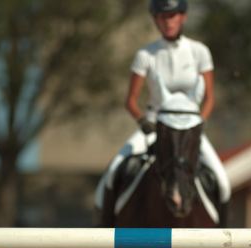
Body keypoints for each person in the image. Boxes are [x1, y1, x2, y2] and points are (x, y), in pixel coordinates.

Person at [95, 0, 230, 223]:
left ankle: (224, 239)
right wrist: (142, 121)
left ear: (183, 17)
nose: (168, 21)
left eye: (173, 15)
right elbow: (130, 100)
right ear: (156, 20)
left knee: (223, 181)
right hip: (155, 125)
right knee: (112, 173)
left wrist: (199, 124)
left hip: (190, 128)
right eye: (162, 17)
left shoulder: (199, 52)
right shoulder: (146, 55)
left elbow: (209, 98)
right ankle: (105, 230)